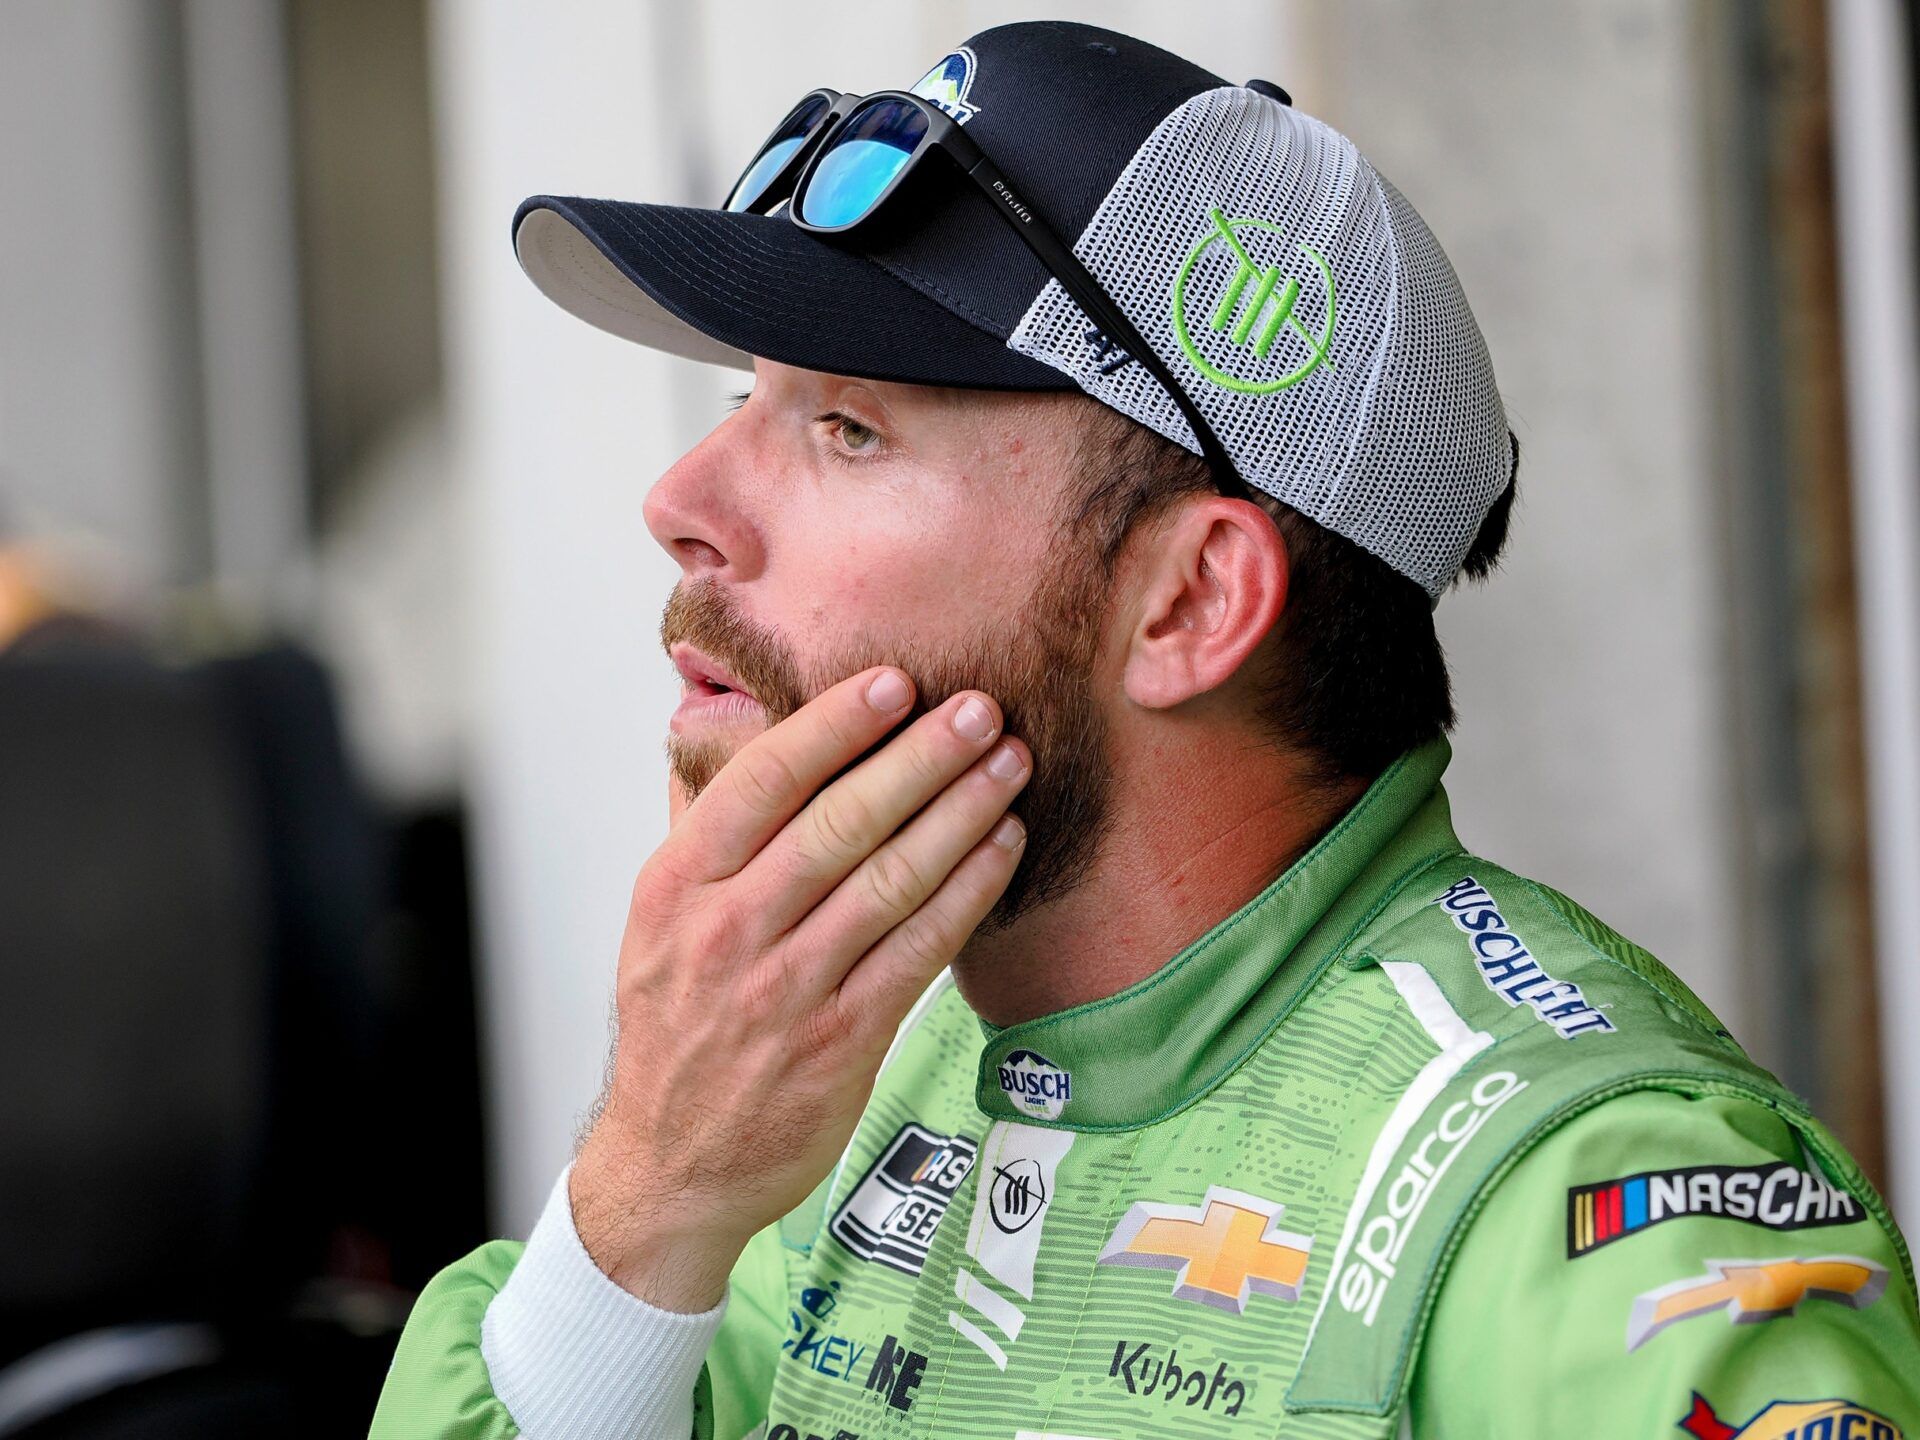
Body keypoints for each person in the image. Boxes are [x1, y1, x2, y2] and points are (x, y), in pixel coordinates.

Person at [372, 20, 1918, 1440]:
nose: (680, 506)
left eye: (848, 427)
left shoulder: (1607, 1224)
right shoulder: (835, 1099)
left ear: (1188, 602)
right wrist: (643, 1197)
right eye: (741, 398)